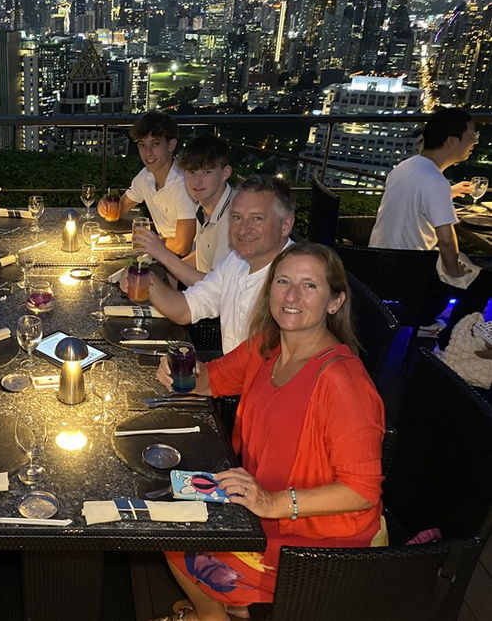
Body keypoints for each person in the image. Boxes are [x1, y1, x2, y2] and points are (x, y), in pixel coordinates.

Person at [152, 243, 385, 621]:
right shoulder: (267, 345)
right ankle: (214, 611)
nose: (292, 296)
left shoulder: (342, 382)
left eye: (309, 286)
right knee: (167, 520)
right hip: (259, 506)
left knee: (178, 537)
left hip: (314, 545)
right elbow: (211, 380)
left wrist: (274, 503)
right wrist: (183, 375)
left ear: (335, 301)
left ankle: (211, 615)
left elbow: (361, 491)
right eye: (283, 281)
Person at [132, 175, 295, 355]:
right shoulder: (236, 260)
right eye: (236, 217)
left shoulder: (296, 281)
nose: (243, 229)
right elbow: (185, 309)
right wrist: (148, 282)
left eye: (257, 218)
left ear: (285, 225)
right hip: (231, 373)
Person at [369, 107, 489, 348]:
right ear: (452, 141)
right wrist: (454, 272)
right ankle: (451, 343)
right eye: (471, 136)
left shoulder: (408, 166)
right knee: (483, 282)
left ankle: (428, 321)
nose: (474, 142)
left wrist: (449, 193)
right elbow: (446, 240)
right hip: (409, 275)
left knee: (468, 268)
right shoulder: (435, 181)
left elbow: (414, 198)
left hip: (380, 263)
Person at [134, 135, 235, 285]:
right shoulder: (205, 206)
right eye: (191, 172)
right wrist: (147, 273)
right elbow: (203, 254)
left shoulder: (234, 219)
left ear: (225, 173)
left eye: (207, 172)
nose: (197, 181)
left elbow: (216, 288)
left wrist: (161, 253)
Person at [99, 110, 197, 256]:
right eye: (142, 145)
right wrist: (107, 207)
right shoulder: (145, 177)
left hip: (192, 264)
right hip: (164, 254)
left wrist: (148, 242)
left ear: (171, 144)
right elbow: (118, 211)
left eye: (155, 144)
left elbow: (182, 246)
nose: (148, 153)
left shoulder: (183, 184)